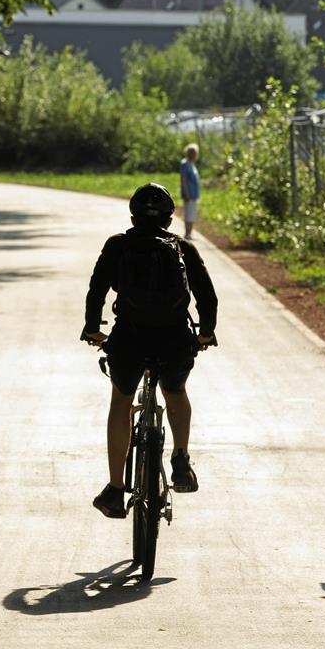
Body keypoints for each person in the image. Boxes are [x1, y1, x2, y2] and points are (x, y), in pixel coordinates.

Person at [81, 182, 218, 519]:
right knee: (175, 390)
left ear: (132, 215)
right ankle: (181, 461)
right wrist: (205, 333)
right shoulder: (182, 247)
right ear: (170, 220)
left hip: (129, 338)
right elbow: (207, 296)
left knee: (122, 400)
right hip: (173, 339)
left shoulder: (118, 245)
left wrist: (92, 327)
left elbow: (96, 289)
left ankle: (115, 489)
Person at [178, 143, 201, 241]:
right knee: (189, 213)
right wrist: (186, 194)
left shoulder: (192, 164)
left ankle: (190, 233)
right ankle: (187, 234)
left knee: (192, 214)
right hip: (189, 194)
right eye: (194, 152)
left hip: (194, 194)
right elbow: (183, 180)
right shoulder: (185, 164)